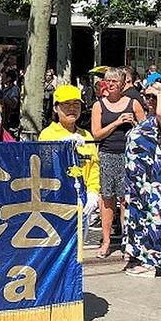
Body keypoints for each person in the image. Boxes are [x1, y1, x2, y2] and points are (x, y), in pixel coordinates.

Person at [91, 67, 146, 258]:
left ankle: (128, 241)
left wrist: (133, 124)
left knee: (126, 199)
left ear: (123, 84)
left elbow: (145, 131)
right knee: (107, 199)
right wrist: (116, 123)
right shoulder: (99, 105)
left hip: (128, 156)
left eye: (115, 81)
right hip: (107, 154)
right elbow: (96, 134)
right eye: (108, 81)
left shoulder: (133, 103)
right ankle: (106, 241)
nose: (111, 84)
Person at [123, 82, 161, 277]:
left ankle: (152, 263)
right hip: (138, 182)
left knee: (154, 217)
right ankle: (140, 256)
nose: (150, 100)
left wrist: (160, 93)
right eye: (147, 96)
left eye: (154, 96)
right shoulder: (148, 119)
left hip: (154, 179)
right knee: (140, 218)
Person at [39, 85, 100, 237]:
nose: (72, 109)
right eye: (66, 104)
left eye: (76, 104)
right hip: (56, 200)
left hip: (82, 199)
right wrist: (63, 146)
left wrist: (93, 192)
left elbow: (94, 167)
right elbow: (45, 166)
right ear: (56, 108)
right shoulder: (47, 134)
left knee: (79, 245)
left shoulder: (86, 136)